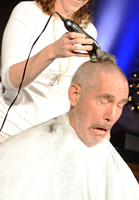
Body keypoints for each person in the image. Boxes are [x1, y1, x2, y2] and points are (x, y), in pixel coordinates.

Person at [0, 50, 139, 200]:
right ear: (75, 95)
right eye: (104, 101)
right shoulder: (19, 156)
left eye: (120, 105)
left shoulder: (121, 173)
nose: (112, 117)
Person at [0, 0, 101, 140]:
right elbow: (10, 82)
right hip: (10, 131)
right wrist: (52, 51)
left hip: (49, 140)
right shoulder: (27, 13)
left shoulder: (88, 30)